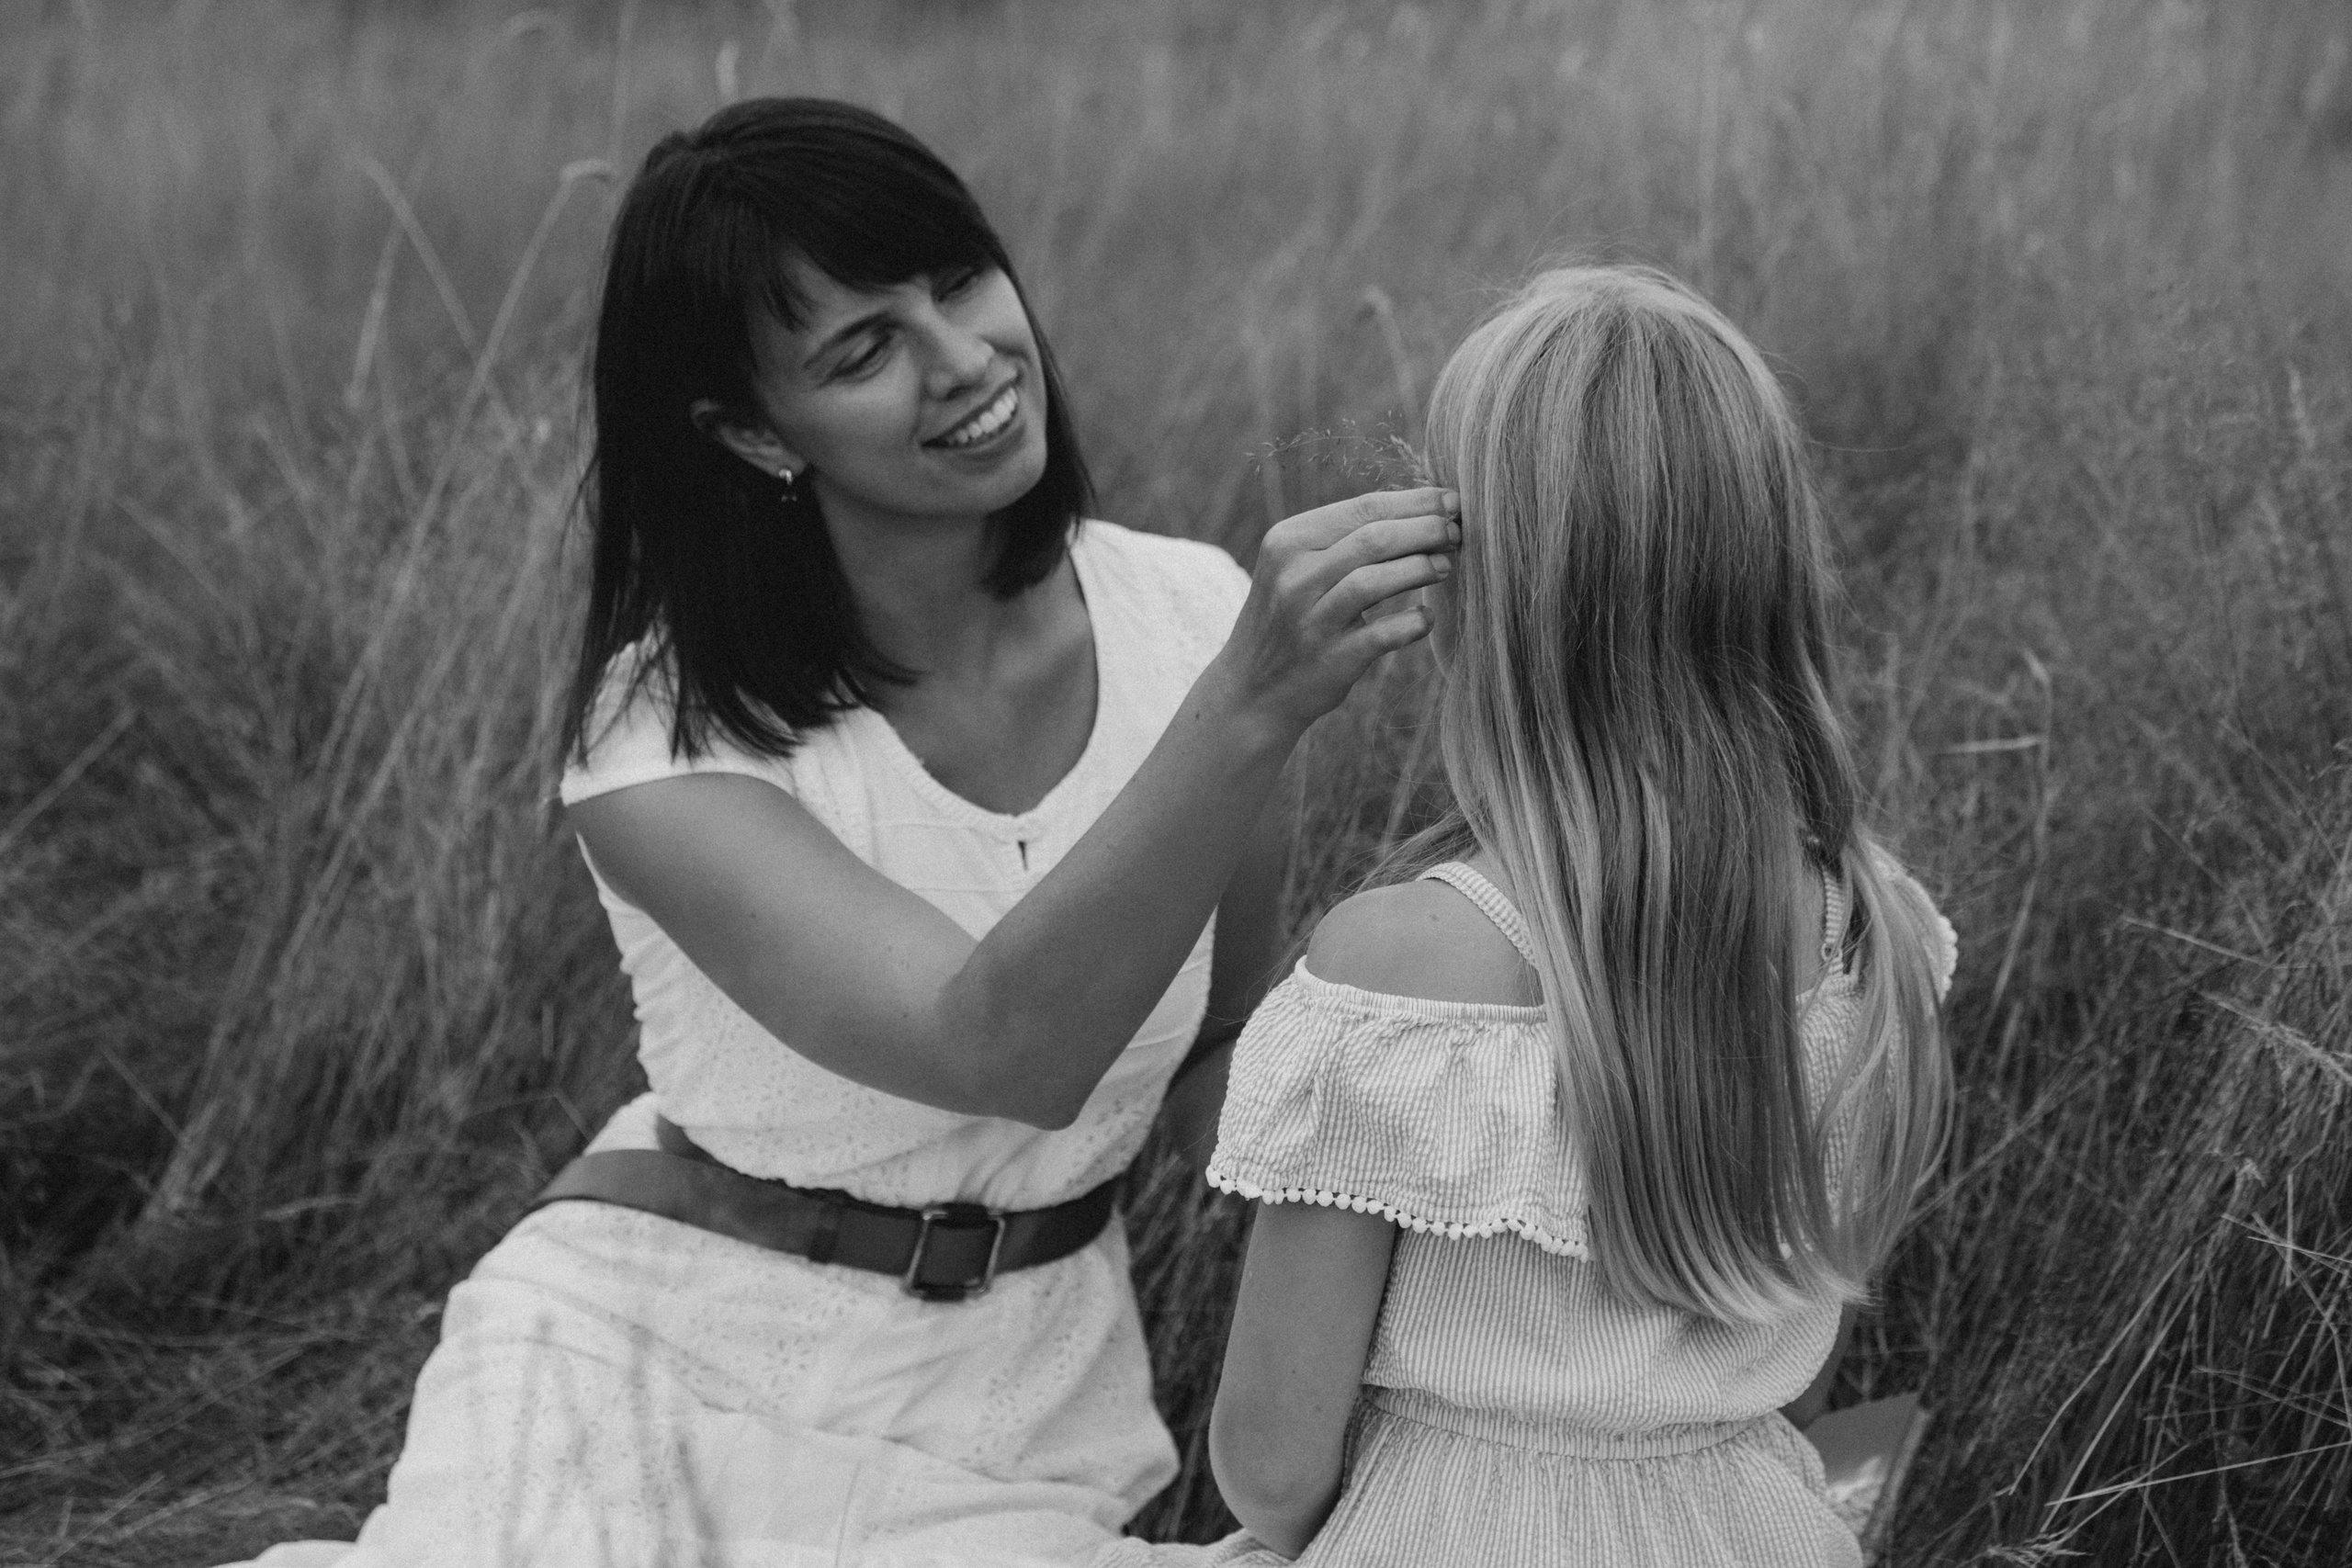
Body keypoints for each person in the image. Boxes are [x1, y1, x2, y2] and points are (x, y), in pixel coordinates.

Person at [224, 98, 1456, 1568]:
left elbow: (1212, 1070)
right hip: (654, 1358)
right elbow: (1000, 1051)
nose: (965, 363)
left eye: (958, 284)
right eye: (862, 350)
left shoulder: (1190, 621)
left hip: (1022, 1406)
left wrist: (1516, 1120)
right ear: (749, 430)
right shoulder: (659, 734)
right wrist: (1250, 705)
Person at [1095, 265, 1958, 1568]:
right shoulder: (1872, 924)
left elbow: (1269, 1468)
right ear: (1774, 561)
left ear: (1470, 589)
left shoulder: (1402, 969)